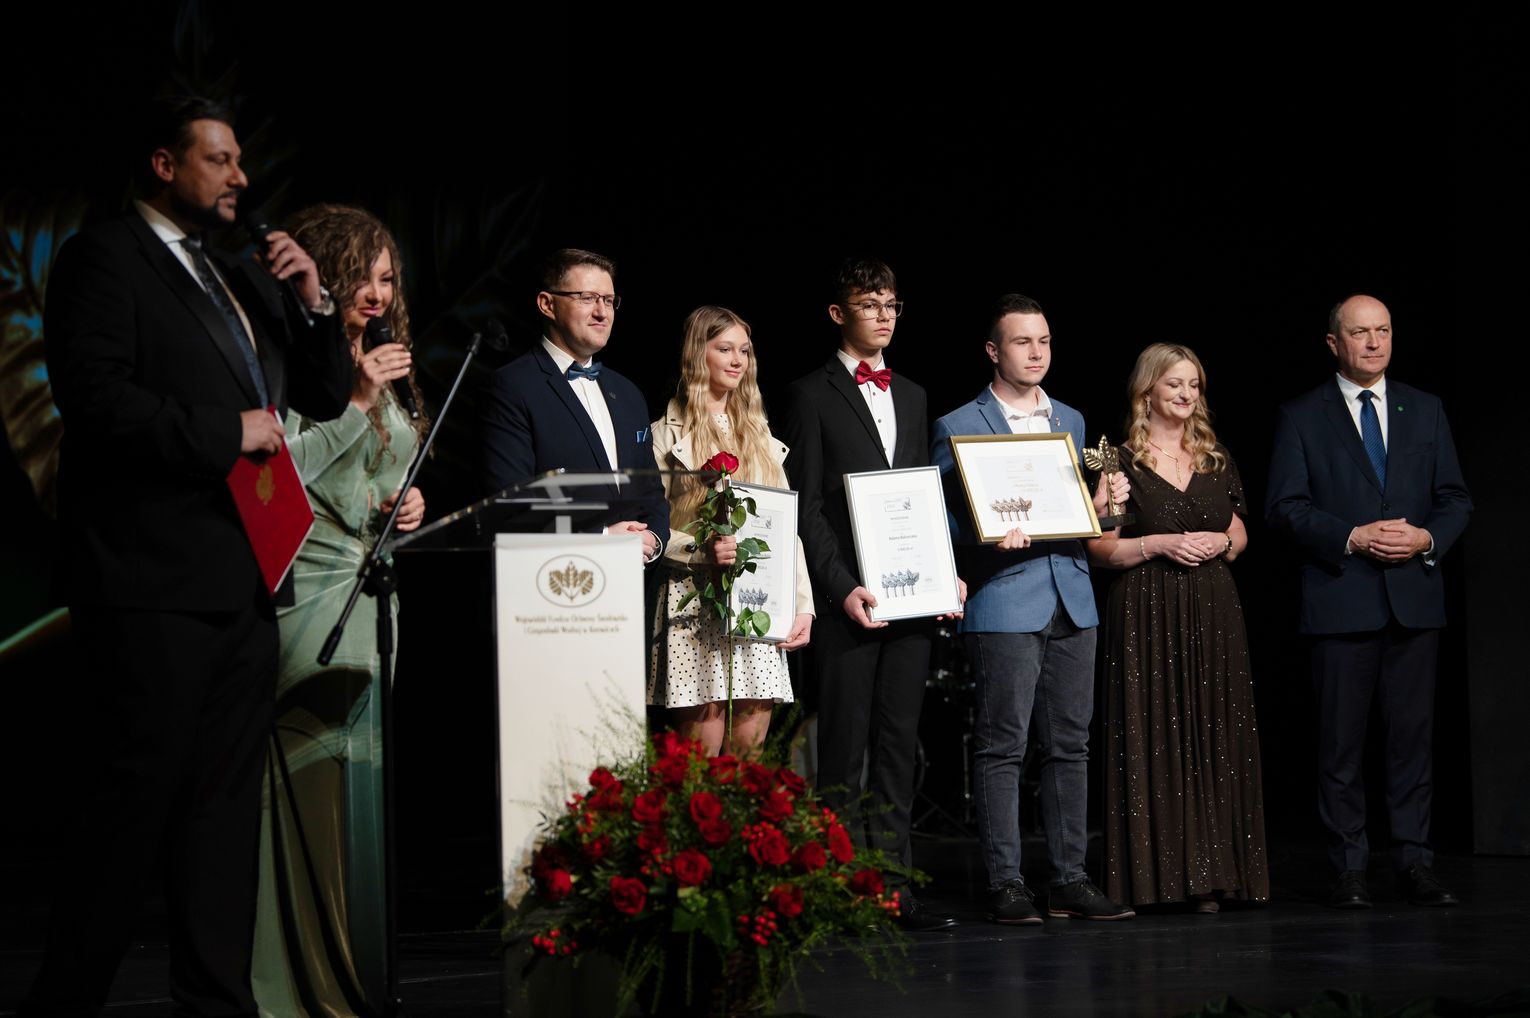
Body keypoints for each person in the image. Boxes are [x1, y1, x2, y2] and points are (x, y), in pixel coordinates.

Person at [24, 97, 351, 1016]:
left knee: (221, 818)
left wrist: (312, 300)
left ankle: (216, 1005)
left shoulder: (241, 274)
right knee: (130, 812)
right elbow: (94, 399)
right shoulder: (104, 257)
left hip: (243, 584)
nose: (241, 177)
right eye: (220, 159)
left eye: (242, 159)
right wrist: (224, 432)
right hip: (148, 584)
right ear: (165, 166)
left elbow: (325, 395)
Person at [250, 204, 426, 1015]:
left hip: (372, 600)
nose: (376, 292)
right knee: (310, 798)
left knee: (358, 806)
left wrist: (408, 501)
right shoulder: (294, 361)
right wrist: (357, 400)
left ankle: (356, 982)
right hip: (311, 595)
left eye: (387, 278)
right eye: (362, 275)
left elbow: (374, 478)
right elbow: (281, 474)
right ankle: (297, 990)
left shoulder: (381, 366)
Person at [930, 293, 1133, 926]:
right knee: (1003, 747)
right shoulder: (959, 423)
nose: (1037, 352)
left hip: (1072, 596)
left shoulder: (1071, 419)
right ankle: (1006, 883)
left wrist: (1107, 504)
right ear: (994, 351)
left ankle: (1069, 878)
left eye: (1044, 341)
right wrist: (988, 533)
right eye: (1023, 342)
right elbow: (946, 524)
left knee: (1070, 746)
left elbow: (1078, 516)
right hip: (1004, 598)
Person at [1266, 294, 1471, 909]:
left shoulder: (1425, 408)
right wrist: (1351, 536)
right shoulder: (1302, 415)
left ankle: (1415, 862)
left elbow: (1455, 499)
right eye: (1361, 333)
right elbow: (1285, 507)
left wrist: (1426, 538)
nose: (1375, 342)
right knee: (1340, 747)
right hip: (1341, 600)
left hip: (1414, 602)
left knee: (1411, 744)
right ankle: (1349, 867)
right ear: (1335, 343)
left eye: (1383, 330)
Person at [777, 256, 957, 932]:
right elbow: (806, 506)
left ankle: (893, 888)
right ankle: (838, 889)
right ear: (838, 314)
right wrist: (842, 586)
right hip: (847, 600)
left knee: (897, 745)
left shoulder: (912, 393)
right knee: (844, 749)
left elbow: (917, 498)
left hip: (909, 599)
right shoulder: (809, 394)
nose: (884, 315)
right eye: (869, 304)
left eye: (892, 304)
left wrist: (942, 570)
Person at [1085, 343, 1269, 913]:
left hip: (1214, 611)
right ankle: (1158, 880)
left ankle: (1215, 877)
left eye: (1193, 384)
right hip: (1147, 611)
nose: (1186, 394)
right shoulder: (1117, 462)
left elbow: (1239, 533)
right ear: (1148, 392)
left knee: (1215, 734)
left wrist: (1222, 541)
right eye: (1174, 384)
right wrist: (1159, 543)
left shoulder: (1215, 457)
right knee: (1157, 734)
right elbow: (1101, 550)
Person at [649, 306, 814, 756]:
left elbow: (785, 527)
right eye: (725, 349)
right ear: (696, 353)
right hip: (693, 601)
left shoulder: (758, 432)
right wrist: (701, 549)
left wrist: (802, 605)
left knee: (749, 755)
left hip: (756, 600)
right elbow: (654, 524)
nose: (738, 360)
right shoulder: (665, 434)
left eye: (744, 350)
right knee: (699, 760)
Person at [481, 248, 667, 557]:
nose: (602, 312)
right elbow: (511, 504)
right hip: (554, 574)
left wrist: (654, 542)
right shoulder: (512, 386)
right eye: (587, 298)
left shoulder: (629, 393)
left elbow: (652, 494)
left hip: (634, 579)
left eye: (609, 300)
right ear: (547, 304)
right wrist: (603, 539)